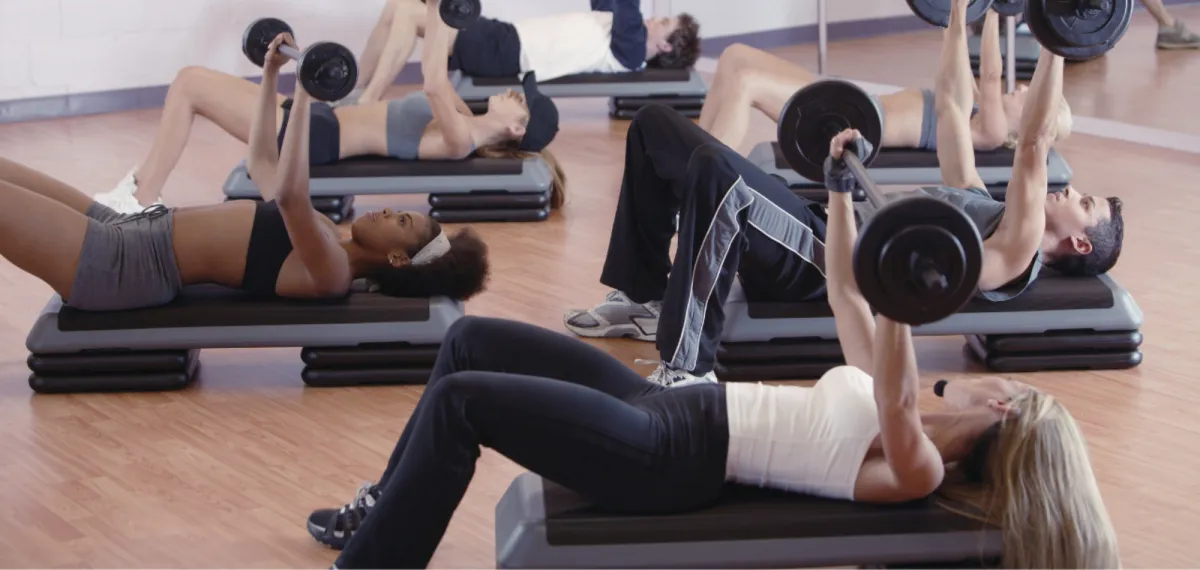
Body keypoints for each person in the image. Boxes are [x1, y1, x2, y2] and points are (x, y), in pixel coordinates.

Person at [299, 112, 1119, 570]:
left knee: (461, 402)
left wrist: (904, 290)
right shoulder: (882, 400)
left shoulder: (919, 466)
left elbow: (902, 390)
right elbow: (844, 291)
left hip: (671, 457)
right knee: (470, 342)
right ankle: (383, 503)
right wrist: (838, 196)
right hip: (674, 407)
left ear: (1003, 401)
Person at [564, 0, 1124, 386]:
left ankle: (688, 369)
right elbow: (954, 104)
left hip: (823, 265)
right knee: (655, 124)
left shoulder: (1014, 252)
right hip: (821, 224)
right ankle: (644, 294)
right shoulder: (981, 203)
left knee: (715, 167)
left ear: (1077, 243)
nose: (1071, 190)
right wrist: (959, 10)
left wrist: (1055, 36)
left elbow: (1033, 145)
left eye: (1085, 203)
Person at [0, 33, 489, 313]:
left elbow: (294, 197)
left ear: (399, 260)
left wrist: (303, 96)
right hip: (124, 229)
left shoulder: (333, 272)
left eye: (400, 222)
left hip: (122, 265)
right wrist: (273, 77)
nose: (387, 211)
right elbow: (262, 164)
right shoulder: (325, 235)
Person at [94, 0, 564, 215]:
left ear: (518, 128)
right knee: (190, 83)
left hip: (319, 138)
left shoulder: (460, 139)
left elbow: (434, 79)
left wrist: (443, 11)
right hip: (325, 116)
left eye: (520, 100)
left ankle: (139, 199)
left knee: (188, 84)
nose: (511, 93)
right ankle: (138, 193)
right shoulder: (464, 115)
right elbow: (407, 22)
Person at [697, 9, 1072, 154]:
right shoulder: (969, 109)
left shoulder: (989, 132)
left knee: (744, 80)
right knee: (735, 57)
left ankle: (704, 183)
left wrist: (991, 11)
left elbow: (992, 75)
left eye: (1033, 98)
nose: (1024, 88)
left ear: (1031, 126)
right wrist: (956, 13)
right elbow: (956, 47)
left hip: (847, 119)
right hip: (852, 99)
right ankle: (690, 163)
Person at [344, 0, 702, 106]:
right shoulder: (625, 35)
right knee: (399, 6)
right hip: (505, 37)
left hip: (506, 52)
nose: (655, 18)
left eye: (664, 22)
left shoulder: (632, 48)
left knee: (407, 12)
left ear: (665, 45)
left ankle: (369, 101)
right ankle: (356, 90)